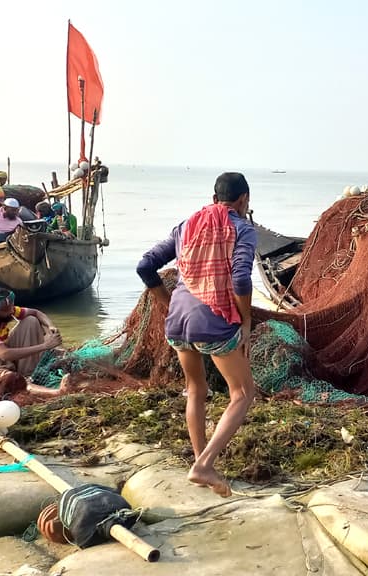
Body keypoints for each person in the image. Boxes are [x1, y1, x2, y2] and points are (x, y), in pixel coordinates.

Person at [136, 172, 257, 497]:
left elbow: (145, 265)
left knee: (195, 390)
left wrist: (166, 302)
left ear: (215, 198)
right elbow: (241, 280)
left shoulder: (186, 226)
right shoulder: (242, 229)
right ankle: (203, 466)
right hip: (213, 320)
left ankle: (203, 464)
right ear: (243, 199)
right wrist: (245, 321)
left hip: (178, 320)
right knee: (243, 394)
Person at [0, 287, 68, 402]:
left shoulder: (5, 311)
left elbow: (36, 312)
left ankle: (28, 373)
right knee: (14, 381)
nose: (11, 311)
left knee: (30, 320)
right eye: (7, 310)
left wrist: (51, 326)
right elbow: (4, 354)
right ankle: (57, 392)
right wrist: (45, 346)